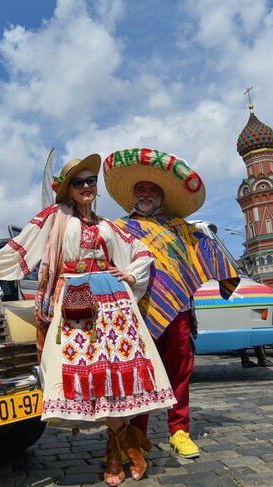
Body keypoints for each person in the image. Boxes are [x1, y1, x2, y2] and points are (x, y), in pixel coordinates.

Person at [0, 154, 175, 486]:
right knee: (81, 379)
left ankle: (115, 452)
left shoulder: (108, 226)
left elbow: (144, 253)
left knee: (113, 378)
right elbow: (23, 246)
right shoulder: (56, 216)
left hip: (113, 303)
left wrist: (130, 277)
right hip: (74, 303)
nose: (87, 186)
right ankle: (128, 441)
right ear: (68, 190)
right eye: (79, 182)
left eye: (92, 181)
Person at [104, 147, 240, 459]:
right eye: (141, 189)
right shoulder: (119, 229)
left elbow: (208, 249)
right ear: (133, 196)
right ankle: (133, 436)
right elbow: (101, 258)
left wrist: (225, 278)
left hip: (177, 309)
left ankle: (179, 431)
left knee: (180, 371)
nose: (147, 194)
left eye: (153, 190)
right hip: (137, 313)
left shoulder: (180, 227)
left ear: (162, 196)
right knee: (140, 374)